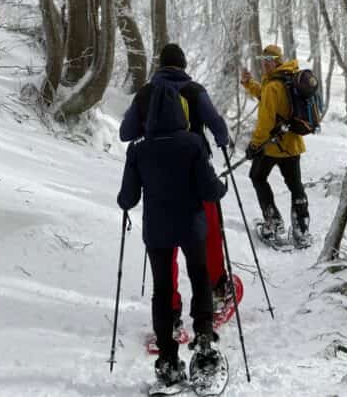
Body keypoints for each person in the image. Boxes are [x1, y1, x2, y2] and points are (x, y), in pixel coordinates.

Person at [117, 77, 227, 388]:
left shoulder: (139, 149)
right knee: (200, 276)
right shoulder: (192, 144)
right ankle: (204, 343)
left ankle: (167, 359)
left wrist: (125, 201)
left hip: (157, 231)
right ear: (181, 112)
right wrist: (221, 187)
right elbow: (209, 189)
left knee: (163, 290)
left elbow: (128, 198)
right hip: (191, 227)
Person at [120, 43, 233, 327]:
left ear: (159, 66)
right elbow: (217, 125)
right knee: (206, 235)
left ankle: (170, 310)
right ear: (183, 66)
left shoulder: (146, 93)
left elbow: (126, 133)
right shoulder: (194, 90)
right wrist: (221, 143)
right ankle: (217, 289)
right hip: (196, 172)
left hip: (157, 176)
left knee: (164, 242)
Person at [241, 43, 310, 244]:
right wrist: (249, 84)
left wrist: (254, 145)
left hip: (272, 146)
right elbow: (266, 97)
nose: (264, 65)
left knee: (257, 176)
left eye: (268, 61)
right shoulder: (289, 78)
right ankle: (302, 230)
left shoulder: (273, 86)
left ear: (276, 61)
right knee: (295, 186)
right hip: (292, 144)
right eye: (262, 61)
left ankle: (273, 223)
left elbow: (265, 121)